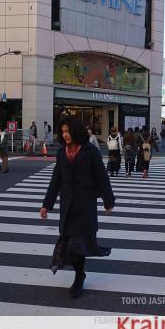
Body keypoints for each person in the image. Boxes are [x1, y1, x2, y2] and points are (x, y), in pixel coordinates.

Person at [40, 116, 115, 299]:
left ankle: (79, 276)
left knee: (78, 244)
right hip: (67, 206)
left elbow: (102, 177)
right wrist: (46, 205)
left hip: (85, 204)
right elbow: (56, 179)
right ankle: (79, 272)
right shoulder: (61, 152)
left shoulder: (90, 152)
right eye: (63, 131)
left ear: (76, 131)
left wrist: (108, 201)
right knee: (69, 243)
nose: (65, 135)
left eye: (68, 131)